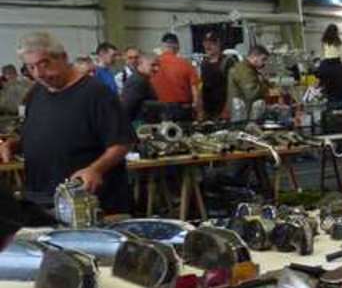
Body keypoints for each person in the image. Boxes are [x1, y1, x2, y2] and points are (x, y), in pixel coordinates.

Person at [0, 32, 132, 214]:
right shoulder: (37, 93)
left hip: (88, 202)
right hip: (42, 198)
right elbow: (38, 135)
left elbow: (122, 142)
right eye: (31, 67)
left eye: (44, 64)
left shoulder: (96, 93)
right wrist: (13, 145)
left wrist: (95, 169)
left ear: (63, 57)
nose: (38, 74)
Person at [150, 33, 202, 118]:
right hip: (182, 112)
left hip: (158, 111)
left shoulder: (152, 65)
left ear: (163, 46)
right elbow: (195, 93)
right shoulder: (186, 65)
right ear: (177, 46)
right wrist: (199, 112)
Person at [314, 24, 342, 114]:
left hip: (330, 97)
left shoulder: (324, 41)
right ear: (337, 32)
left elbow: (322, 55)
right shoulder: (339, 42)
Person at [227, 45, 271, 120]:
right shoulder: (245, 71)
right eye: (263, 59)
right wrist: (265, 85)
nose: (264, 63)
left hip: (242, 111)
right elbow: (252, 93)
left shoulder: (247, 69)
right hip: (242, 113)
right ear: (254, 57)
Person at [199, 32, 228, 120]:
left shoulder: (227, 62)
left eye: (211, 43)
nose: (208, 46)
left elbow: (232, 88)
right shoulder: (204, 64)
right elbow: (201, 86)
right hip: (208, 110)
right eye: (205, 44)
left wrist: (227, 108)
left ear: (218, 43)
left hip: (223, 110)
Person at [121, 53, 157, 123]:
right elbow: (126, 109)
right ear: (141, 63)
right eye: (152, 65)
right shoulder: (138, 81)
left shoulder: (143, 79)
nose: (156, 68)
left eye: (158, 65)